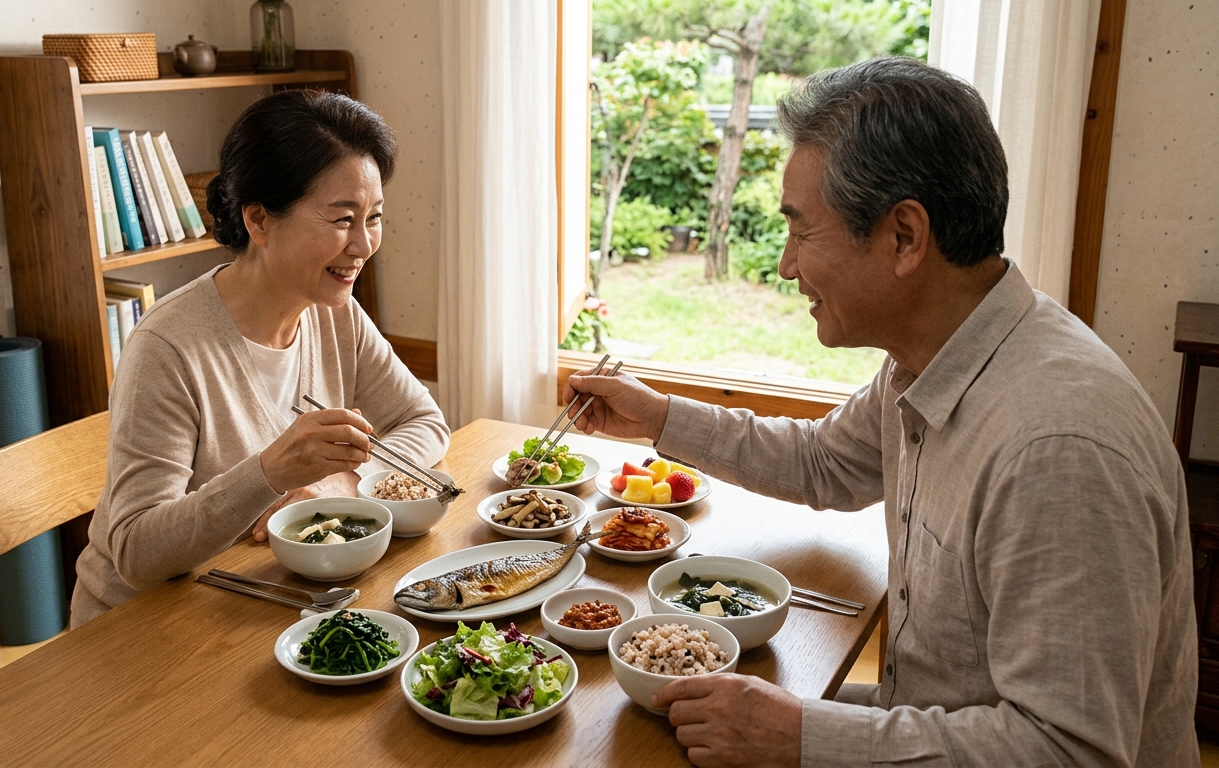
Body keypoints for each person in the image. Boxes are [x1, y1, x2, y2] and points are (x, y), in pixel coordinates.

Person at [565, 57, 1198, 767]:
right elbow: (823, 462)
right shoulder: (936, 355)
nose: (785, 264)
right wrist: (658, 417)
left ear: (904, 236)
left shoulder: (1057, 448)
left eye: (802, 232)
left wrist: (801, 736)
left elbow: (1069, 751)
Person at [71, 91, 449, 627]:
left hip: (258, 598)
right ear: (259, 220)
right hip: (141, 627)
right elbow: (136, 551)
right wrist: (269, 474)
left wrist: (344, 483)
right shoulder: (167, 347)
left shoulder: (335, 314)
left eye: (374, 217)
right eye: (343, 219)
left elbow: (424, 421)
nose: (364, 244)